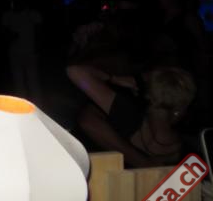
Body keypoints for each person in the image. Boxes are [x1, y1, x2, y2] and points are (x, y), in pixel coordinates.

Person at [66, 64, 196, 167]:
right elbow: (75, 71)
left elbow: (75, 71)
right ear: (182, 108)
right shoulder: (187, 154)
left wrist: (116, 79)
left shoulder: (127, 113)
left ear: (150, 94)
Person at [1, 0, 43, 105]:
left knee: (33, 81)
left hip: (30, 52)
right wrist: (10, 35)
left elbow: (39, 32)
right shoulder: (8, 15)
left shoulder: (32, 14)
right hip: (14, 53)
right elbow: (3, 34)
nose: (17, 2)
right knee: (18, 82)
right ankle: (22, 106)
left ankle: (37, 106)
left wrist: (38, 48)